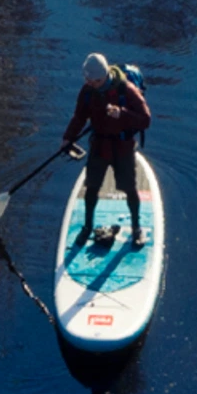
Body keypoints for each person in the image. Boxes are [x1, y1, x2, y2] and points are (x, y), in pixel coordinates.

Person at [60, 56, 151, 250]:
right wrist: (68, 137)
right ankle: (87, 226)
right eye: (88, 81)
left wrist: (122, 114)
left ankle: (136, 228)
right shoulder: (87, 91)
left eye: (96, 81)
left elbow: (145, 120)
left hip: (122, 146)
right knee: (91, 187)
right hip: (99, 146)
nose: (91, 84)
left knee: (129, 188)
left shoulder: (127, 91)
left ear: (105, 76)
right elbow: (79, 117)